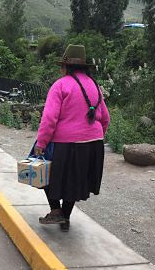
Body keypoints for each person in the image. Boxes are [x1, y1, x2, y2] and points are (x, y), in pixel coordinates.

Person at [35, 44, 110, 232]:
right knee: (75, 181)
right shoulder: (94, 86)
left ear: (65, 66)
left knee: (44, 174)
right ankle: (64, 217)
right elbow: (105, 118)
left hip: (66, 143)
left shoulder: (60, 85)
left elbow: (49, 118)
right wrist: (95, 139)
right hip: (93, 143)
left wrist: (41, 143)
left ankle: (56, 211)